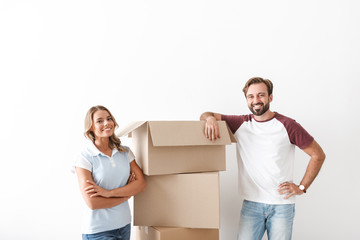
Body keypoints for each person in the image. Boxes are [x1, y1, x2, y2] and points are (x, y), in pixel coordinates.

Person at [200, 77, 325, 240]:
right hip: (251, 204)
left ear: (270, 97)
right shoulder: (240, 123)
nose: (256, 100)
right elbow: (206, 114)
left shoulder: (288, 125)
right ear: (246, 100)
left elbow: (318, 155)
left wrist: (301, 187)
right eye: (251, 96)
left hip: (282, 206)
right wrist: (210, 119)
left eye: (261, 95)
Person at [74, 105, 146, 240]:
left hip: (124, 225)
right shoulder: (85, 157)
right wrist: (126, 195)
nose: (106, 123)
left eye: (109, 119)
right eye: (99, 121)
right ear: (91, 127)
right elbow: (92, 203)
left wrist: (107, 193)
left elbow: (141, 184)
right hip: (98, 231)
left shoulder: (125, 152)